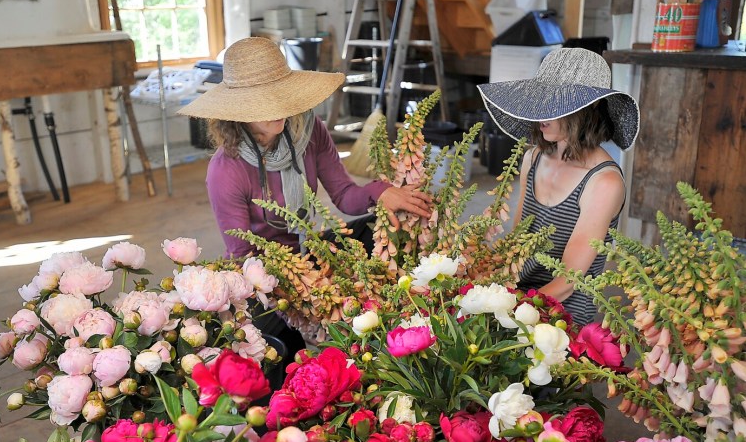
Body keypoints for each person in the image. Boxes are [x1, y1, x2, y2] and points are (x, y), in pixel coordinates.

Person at [178, 36, 432, 358]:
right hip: (267, 272)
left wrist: (382, 193)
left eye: (281, 97)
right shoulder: (226, 170)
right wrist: (300, 290)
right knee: (281, 348)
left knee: (383, 227)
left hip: (309, 247)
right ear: (237, 113)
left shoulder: (308, 132)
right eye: (264, 103)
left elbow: (344, 195)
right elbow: (243, 255)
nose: (279, 110)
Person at [478, 48, 640, 326]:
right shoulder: (533, 158)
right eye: (540, 101)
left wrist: (508, 310)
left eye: (554, 106)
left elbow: (568, 280)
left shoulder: (603, 182)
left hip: (562, 315)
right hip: (518, 293)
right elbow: (518, 240)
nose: (542, 113)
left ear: (584, 111)